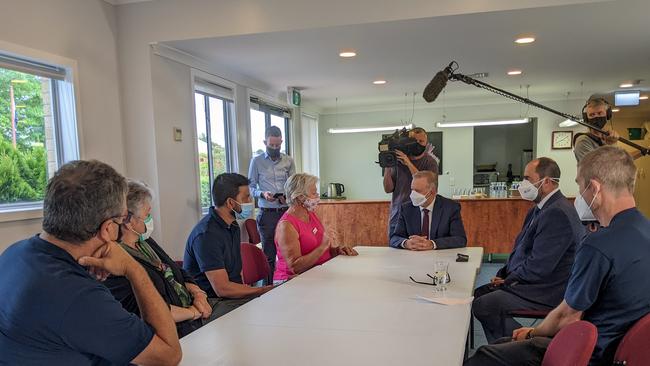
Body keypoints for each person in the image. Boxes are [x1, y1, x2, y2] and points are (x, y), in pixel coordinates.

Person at [465, 146, 650, 366]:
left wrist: (532, 333)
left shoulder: (599, 244)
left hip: (587, 350)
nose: (579, 194)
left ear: (594, 187)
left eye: (580, 185)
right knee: (502, 342)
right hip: (619, 347)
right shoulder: (644, 229)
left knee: (482, 357)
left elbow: (567, 317)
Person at [0, 160, 181, 365]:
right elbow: (168, 355)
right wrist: (133, 269)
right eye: (121, 220)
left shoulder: (14, 254)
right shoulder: (76, 295)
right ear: (107, 228)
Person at [472, 157, 584, 343]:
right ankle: (506, 344)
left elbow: (539, 266)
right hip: (535, 281)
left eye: (527, 178)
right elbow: (520, 249)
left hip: (548, 289)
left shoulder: (557, 213)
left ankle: (522, 346)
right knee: (480, 292)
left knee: (485, 305)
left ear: (546, 182)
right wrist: (504, 273)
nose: (522, 184)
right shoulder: (538, 209)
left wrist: (508, 281)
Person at [105, 180, 213, 338]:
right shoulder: (116, 260)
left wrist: (198, 294)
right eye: (147, 214)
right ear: (128, 221)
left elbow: (178, 272)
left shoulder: (145, 241)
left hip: (192, 316)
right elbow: (148, 310)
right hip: (170, 331)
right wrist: (193, 312)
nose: (151, 219)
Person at [184, 173, 273, 319]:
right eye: (245, 198)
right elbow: (222, 289)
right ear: (230, 203)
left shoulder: (232, 225)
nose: (250, 201)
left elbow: (237, 273)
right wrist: (260, 290)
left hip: (233, 298)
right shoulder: (207, 235)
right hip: (212, 303)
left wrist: (254, 291)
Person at [274, 173, 358, 283]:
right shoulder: (286, 225)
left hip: (316, 273)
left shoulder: (310, 214)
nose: (318, 196)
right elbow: (295, 267)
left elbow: (320, 251)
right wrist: (323, 246)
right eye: (314, 193)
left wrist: (336, 251)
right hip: (291, 281)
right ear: (300, 197)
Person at [248, 125, 296, 282]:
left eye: (278, 145)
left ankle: (290, 284)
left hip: (285, 212)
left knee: (289, 252)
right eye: (271, 145)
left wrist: (287, 197)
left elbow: (293, 185)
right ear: (265, 142)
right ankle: (267, 289)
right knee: (269, 256)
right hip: (267, 214)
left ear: (281, 141)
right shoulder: (256, 161)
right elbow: (250, 187)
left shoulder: (288, 161)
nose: (274, 148)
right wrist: (262, 194)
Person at [389, 170, 466, 250]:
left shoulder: (450, 207)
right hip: (413, 257)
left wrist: (433, 244)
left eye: (418, 191)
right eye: (412, 190)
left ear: (432, 192)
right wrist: (406, 243)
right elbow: (394, 238)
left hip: (440, 258)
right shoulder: (406, 208)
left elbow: (460, 239)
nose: (413, 195)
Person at [383, 127, 439, 236]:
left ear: (426, 143)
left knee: (419, 249)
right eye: (415, 141)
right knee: (395, 250)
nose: (417, 144)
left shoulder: (430, 162)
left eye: (421, 141)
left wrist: (408, 163)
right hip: (397, 215)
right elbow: (388, 189)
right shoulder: (397, 162)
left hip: (420, 216)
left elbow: (431, 187)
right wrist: (387, 166)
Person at [574, 97, 647, 162]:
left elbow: (621, 160)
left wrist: (643, 151)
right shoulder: (583, 141)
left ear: (607, 115)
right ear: (586, 119)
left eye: (600, 113)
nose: (596, 117)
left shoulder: (606, 138)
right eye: (592, 115)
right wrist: (611, 145)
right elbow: (602, 168)